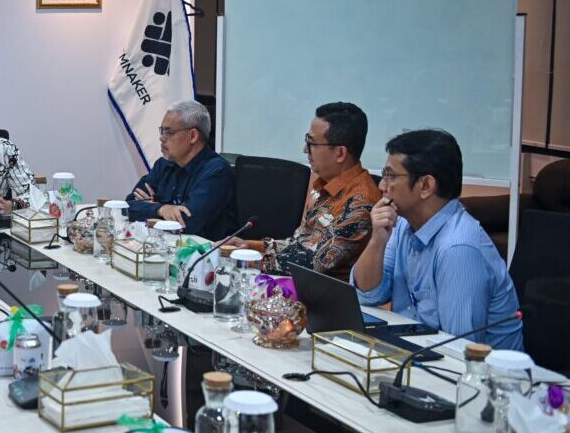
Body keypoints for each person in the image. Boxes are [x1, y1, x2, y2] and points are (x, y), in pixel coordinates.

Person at [351, 129, 523, 350]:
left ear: (425, 186)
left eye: (391, 176)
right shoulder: (403, 223)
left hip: (480, 375)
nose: (382, 186)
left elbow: (459, 349)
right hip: (415, 349)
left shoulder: (458, 248)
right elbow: (368, 295)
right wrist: (377, 240)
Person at [224, 102, 381, 280]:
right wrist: (250, 246)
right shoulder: (324, 184)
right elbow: (299, 244)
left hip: (324, 298)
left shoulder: (361, 203)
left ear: (340, 153)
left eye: (311, 143)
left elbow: (313, 263)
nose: (305, 149)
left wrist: (249, 262)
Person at [125, 100, 237, 239]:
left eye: (169, 132)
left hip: (204, 255)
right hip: (163, 248)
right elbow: (127, 207)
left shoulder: (217, 171)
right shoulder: (163, 165)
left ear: (193, 136)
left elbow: (186, 224)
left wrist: (149, 207)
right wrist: (161, 209)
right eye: (162, 131)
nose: (161, 138)